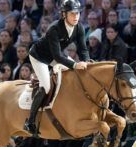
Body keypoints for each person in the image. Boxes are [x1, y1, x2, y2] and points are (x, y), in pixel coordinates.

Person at [23, 0, 90, 134]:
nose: (76, 17)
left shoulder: (79, 27)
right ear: (64, 14)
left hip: (55, 55)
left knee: (74, 74)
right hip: (39, 57)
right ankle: (30, 121)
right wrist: (76, 64)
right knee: (46, 86)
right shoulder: (54, 28)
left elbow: (83, 49)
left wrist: (87, 63)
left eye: (77, 13)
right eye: (72, 14)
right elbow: (58, 57)